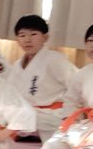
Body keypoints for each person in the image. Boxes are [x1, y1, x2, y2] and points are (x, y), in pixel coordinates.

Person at [5, 14, 77, 142]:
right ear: (17, 39)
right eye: (22, 35)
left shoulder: (54, 59)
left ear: (45, 37)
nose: (27, 40)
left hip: (51, 116)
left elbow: (77, 84)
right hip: (28, 116)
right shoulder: (17, 65)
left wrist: (72, 111)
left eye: (33, 34)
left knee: (23, 119)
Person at [38, 24, 93, 149]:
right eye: (90, 41)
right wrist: (74, 124)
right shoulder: (84, 73)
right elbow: (71, 101)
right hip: (86, 127)